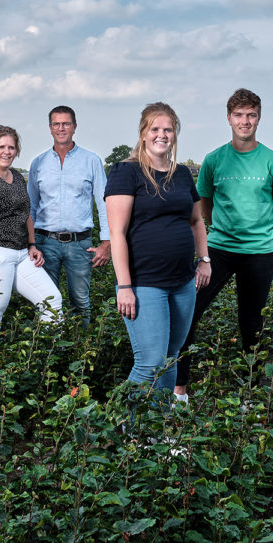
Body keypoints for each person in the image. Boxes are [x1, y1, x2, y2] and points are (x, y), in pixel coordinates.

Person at [174, 88, 273, 400]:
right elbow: (204, 206)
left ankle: (251, 398)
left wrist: (259, 230)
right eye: (239, 115)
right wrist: (222, 230)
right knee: (188, 311)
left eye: (251, 115)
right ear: (229, 118)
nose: (245, 121)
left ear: (259, 118)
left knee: (252, 324)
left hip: (259, 254)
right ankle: (180, 393)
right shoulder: (214, 160)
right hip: (217, 251)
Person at [105, 102, 212, 397]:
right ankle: (123, 428)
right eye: (155, 129)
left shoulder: (180, 174)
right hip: (144, 282)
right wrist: (124, 285)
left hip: (182, 282)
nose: (161, 135)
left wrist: (204, 260)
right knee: (149, 362)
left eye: (168, 129)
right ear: (143, 133)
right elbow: (117, 233)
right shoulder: (125, 172)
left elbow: (196, 220)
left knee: (170, 356)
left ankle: (158, 433)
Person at [0, 124, 62, 336]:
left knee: (52, 301)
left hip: (19, 253)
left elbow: (25, 213)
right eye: (1, 147)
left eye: (11, 147)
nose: (7, 152)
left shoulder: (16, 176)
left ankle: (48, 357)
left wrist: (32, 244)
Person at [27, 106, 111, 326]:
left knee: (80, 301)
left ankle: (79, 351)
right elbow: (31, 207)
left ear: (74, 127)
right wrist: (30, 243)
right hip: (46, 242)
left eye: (66, 123)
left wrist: (106, 242)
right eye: (56, 124)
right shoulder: (38, 163)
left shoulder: (91, 161)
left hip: (80, 243)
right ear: (50, 128)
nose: (61, 128)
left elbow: (104, 204)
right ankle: (49, 352)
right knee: (46, 301)